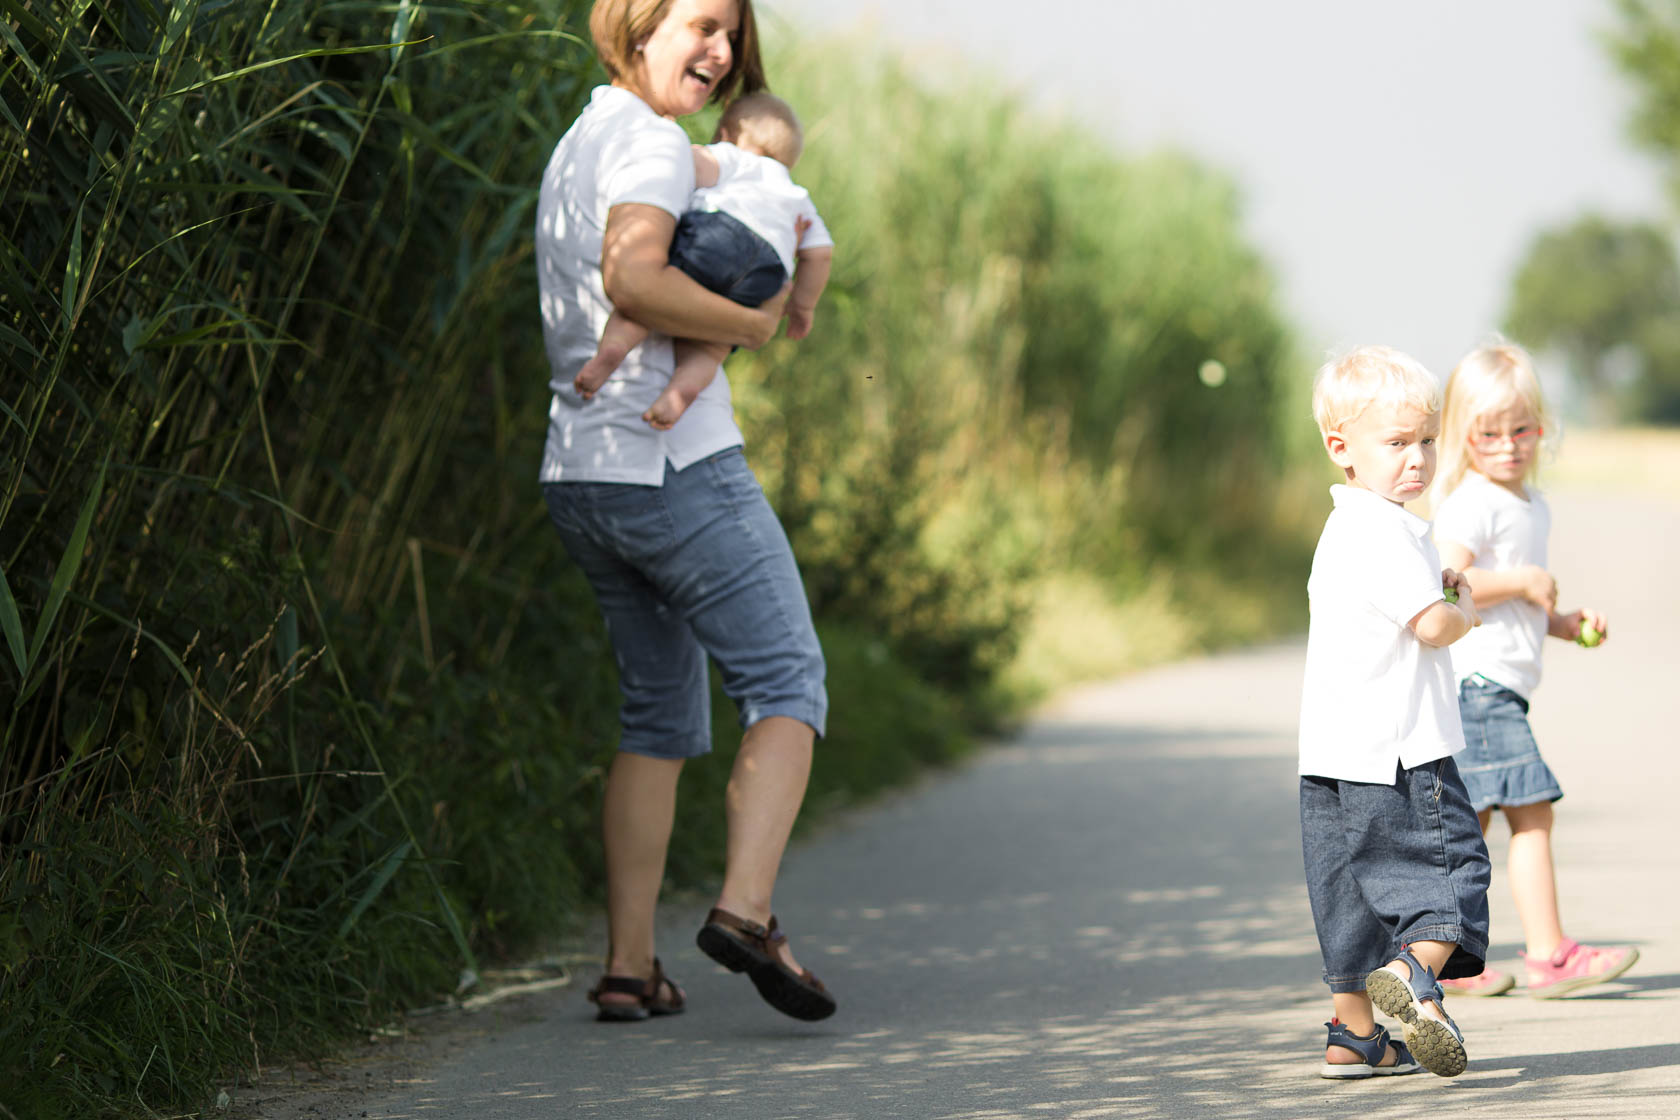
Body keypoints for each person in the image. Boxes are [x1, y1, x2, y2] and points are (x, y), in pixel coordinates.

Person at [535, 0, 835, 1024]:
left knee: (658, 713)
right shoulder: (654, 144)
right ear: (635, 23)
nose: (716, 52)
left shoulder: (582, 138)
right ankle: (745, 913)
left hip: (581, 472)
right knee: (788, 677)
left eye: (728, 36)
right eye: (696, 25)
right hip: (672, 467)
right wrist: (753, 318)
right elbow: (633, 272)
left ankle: (629, 967)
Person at [1297, 345, 1493, 1080]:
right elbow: (1434, 627)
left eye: (1427, 441)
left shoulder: (1341, 531)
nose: (1417, 459)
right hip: (1403, 755)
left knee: (1349, 898)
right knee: (1454, 874)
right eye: (1397, 443)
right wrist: (1464, 605)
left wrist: (1434, 587)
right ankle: (1415, 976)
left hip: (1329, 761)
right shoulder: (1388, 530)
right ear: (1341, 448)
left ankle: (1354, 1037)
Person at [1429, 342, 1637, 999]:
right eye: (1489, 432)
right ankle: (1549, 954)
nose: (1508, 444)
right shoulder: (1474, 500)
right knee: (1531, 814)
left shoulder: (1530, 503)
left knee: (1475, 824)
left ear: (1543, 426)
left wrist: (1563, 622)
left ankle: (1441, 962)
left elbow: (1515, 608)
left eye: (1522, 429)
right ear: (1465, 434)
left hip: (1500, 688)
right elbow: (1449, 584)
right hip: (1478, 684)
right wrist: (1522, 578)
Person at [573, 92, 834, 430]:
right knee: (713, 347)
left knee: (647, 302)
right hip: (765, 272)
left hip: (718, 239)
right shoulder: (799, 197)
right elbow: (820, 253)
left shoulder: (735, 157)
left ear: (727, 135)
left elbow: (689, 164)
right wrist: (802, 306)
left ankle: (611, 353)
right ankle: (681, 392)